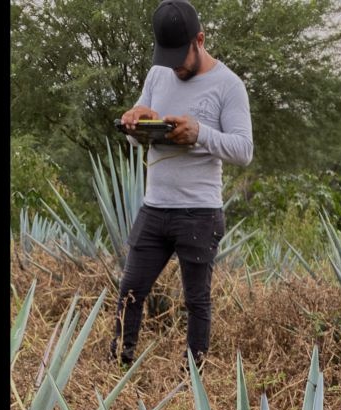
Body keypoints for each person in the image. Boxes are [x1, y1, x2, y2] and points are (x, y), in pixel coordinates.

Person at [111, 0, 253, 370]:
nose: (174, 66)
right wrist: (135, 124)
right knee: (130, 291)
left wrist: (199, 133)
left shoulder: (229, 85)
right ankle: (118, 368)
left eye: (180, 57)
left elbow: (244, 150)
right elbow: (138, 137)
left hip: (199, 212)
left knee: (196, 301)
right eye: (167, 57)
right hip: (155, 207)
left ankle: (192, 378)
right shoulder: (157, 74)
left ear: (199, 40)